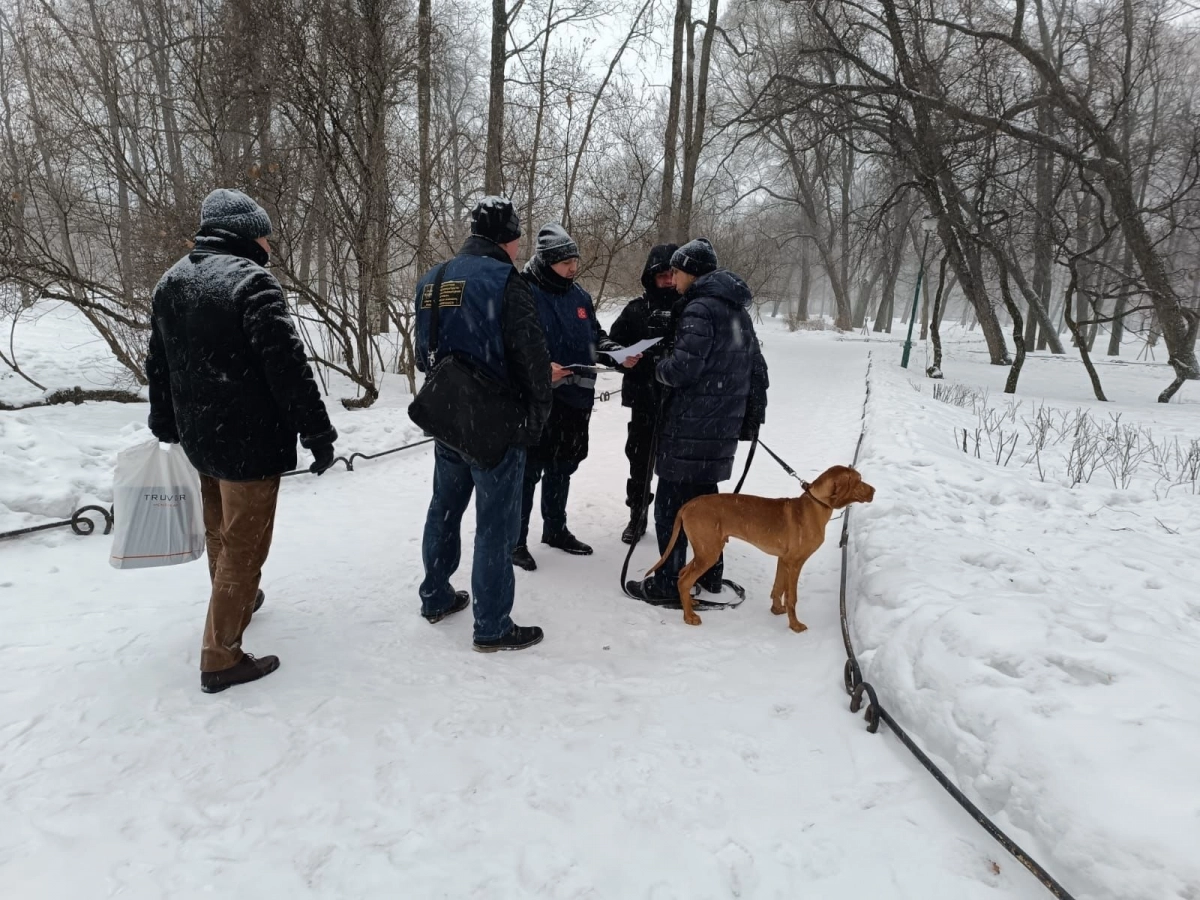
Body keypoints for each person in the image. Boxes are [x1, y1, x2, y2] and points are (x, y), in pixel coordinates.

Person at [146, 188, 338, 693]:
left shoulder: (172, 280)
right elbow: (287, 368)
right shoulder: (253, 283)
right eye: (264, 235)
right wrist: (318, 431)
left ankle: (235, 601)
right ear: (245, 235)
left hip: (200, 437)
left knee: (219, 530)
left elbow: (158, 365)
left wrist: (165, 421)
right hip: (248, 440)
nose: (269, 245)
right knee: (245, 545)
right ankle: (221, 656)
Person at [414, 196, 552, 652]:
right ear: (508, 241)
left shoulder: (432, 278)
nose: (518, 250)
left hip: (449, 418)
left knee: (444, 509)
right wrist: (536, 417)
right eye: (517, 242)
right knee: (496, 525)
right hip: (497, 425)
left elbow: (422, 356)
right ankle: (492, 626)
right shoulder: (505, 281)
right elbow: (532, 358)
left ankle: (435, 595)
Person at [625, 237, 769, 603]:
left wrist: (659, 366)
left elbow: (684, 369)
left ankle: (666, 584)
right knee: (709, 507)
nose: (671, 279)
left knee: (671, 509)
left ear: (692, 272)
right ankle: (709, 574)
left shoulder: (700, 308)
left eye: (676, 272)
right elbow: (757, 369)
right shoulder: (736, 310)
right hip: (719, 429)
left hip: (690, 427)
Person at [511, 224, 635, 571]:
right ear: (547, 261)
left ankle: (555, 529)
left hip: (577, 398)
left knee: (563, 465)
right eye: (565, 262)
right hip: (536, 400)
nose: (572, 268)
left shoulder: (579, 295)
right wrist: (538, 368)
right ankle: (515, 540)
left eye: (574, 261)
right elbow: (511, 347)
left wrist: (614, 351)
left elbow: (594, 336)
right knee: (528, 471)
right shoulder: (523, 291)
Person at [609, 243, 679, 543]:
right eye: (661, 275)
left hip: (678, 403)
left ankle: (675, 519)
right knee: (639, 463)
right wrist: (625, 357)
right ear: (650, 277)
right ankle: (637, 514)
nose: (667, 281)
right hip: (643, 400)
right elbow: (610, 346)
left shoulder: (690, 307)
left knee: (676, 467)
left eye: (672, 274)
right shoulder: (635, 310)